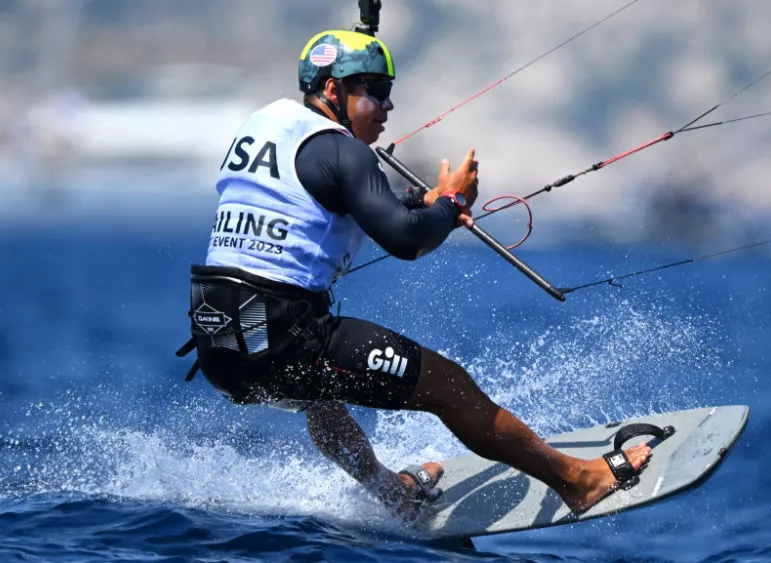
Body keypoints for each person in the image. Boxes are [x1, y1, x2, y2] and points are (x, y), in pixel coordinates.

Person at [178, 29, 651, 520]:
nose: (387, 106)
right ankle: (577, 481)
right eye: (375, 91)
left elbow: (336, 195)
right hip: (282, 338)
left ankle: (392, 492)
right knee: (448, 386)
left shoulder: (267, 124)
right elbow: (405, 240)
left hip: (220, 342)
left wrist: (418, 203)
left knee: (320, 395)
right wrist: (450, 201)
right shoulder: (346, 152)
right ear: (334, 91)